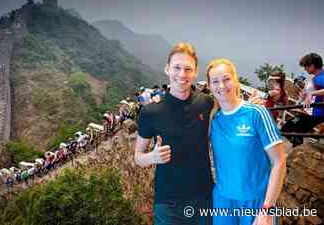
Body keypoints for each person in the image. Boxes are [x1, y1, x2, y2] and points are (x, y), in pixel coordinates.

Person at [134, 42, 214, 225]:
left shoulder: (206, 103)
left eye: (188, 69)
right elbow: (138, 157)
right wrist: (153, 157)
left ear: (195, 72)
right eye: (177, 68)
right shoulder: (150, 112)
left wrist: (252, 105)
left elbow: (230, 105)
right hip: (168, 202)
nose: (182, 74)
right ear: (167, 69)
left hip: (204, 197)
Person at [206, 58, 286, 225]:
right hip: (223, 201)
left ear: (236, 81)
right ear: (209, 86)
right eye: (215, 81)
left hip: (256, 202)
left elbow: (279, 161)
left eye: (226, 79)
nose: (221, 86)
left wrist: (267, 209)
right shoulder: (213, 118)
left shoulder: (256, 113)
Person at [281, 53, 324, 146]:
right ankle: (298, 150)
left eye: (305, 66)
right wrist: (304, 95)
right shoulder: (317, 77)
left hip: (315, 113)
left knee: (288, 129)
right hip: (312, 113)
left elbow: (315, 92)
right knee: (292, 130)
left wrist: (311, 93)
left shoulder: (320, 77)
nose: (305, 69)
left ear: (312, 65)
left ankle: (298, 151)